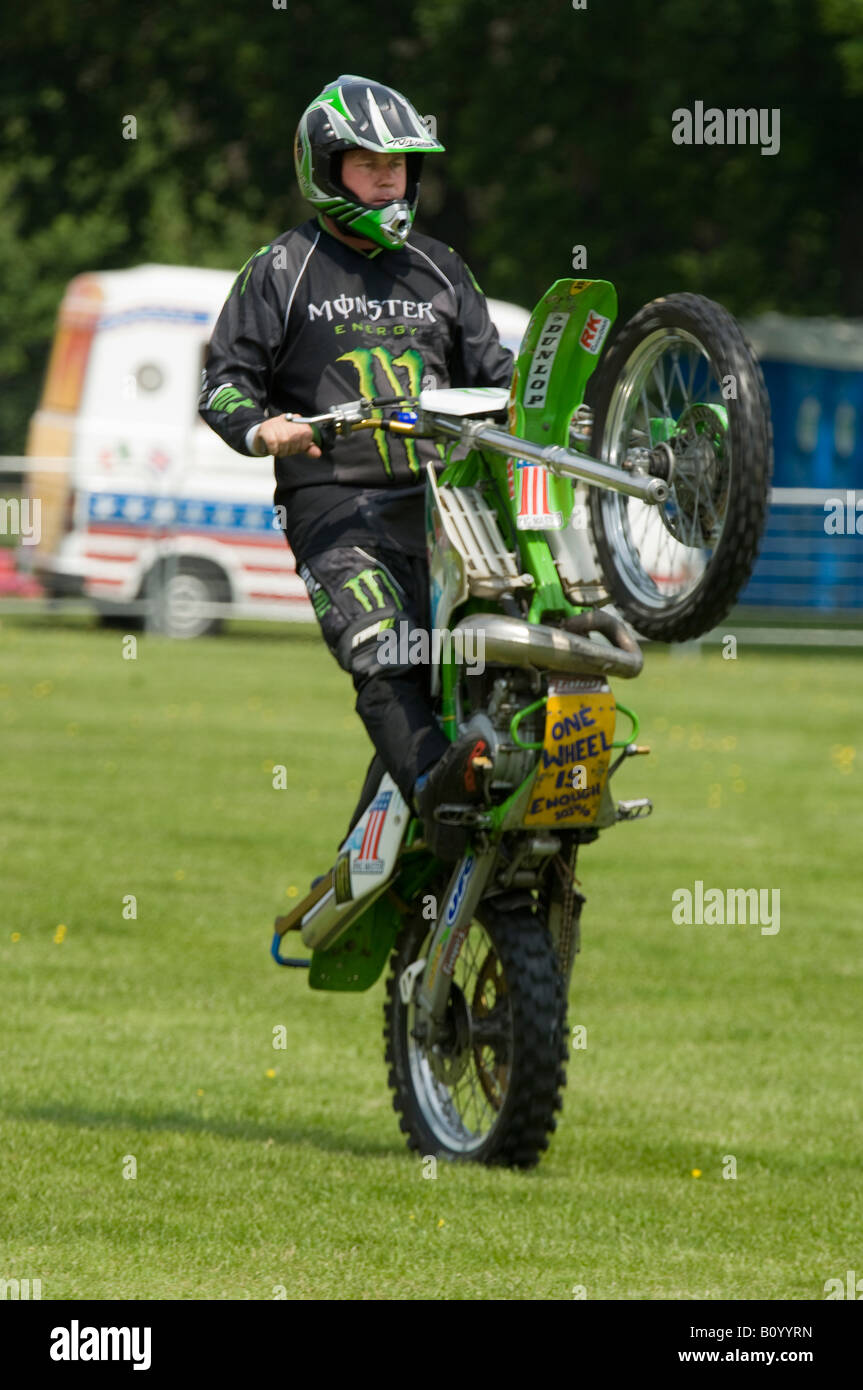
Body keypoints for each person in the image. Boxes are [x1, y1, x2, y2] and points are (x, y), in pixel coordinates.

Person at [198, 75, 513, 858]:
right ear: (324, 167)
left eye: (399, 164)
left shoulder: (440, 268)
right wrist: (262, 428)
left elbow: (499, 377)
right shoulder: (282, 267)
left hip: (449, 511)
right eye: (367, 162)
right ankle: (446, 804)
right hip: (337, 509)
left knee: (495, 657)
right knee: (386, 651)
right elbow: (222, 382)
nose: (387, 177)